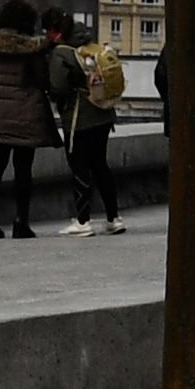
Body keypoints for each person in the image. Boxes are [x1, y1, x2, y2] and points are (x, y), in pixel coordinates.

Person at [0, 0, 53, 244]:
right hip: (25, 113)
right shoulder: (32, 48)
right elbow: (42, 80)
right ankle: (21, 222)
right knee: (23, 169)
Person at [53, 13, 120, 234]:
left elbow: (58, 86)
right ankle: (113, 218)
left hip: (79, 118)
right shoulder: (95, 49)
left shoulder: (63, 53)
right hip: (104, 115)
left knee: (79, 167)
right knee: (100, 165)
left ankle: (83, 221)